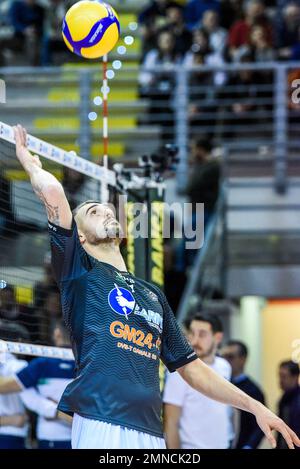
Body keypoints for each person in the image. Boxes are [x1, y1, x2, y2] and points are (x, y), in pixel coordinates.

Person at [8, 124, 300, 450]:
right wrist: (29, 161)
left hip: (149, 428)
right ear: (80, 236)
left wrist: (255, 406)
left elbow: (191, 369)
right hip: (102, 421)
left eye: (105, 207)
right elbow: (53, 194)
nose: (104, 210)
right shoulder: (80, 273)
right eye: (92, 211)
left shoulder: (152, 294)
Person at [0, 321, 74, 449]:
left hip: (48, 436)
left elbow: (7, 388)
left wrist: (57, 412)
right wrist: (58, 412)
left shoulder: (41, 364)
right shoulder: (88, 364)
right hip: (75, 435)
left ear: (57, 333)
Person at [163, 312, 232, 448]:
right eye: (192, 333)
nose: (194, 341)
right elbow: (171, 422)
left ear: (217, 337)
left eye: (202, 334)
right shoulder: (180, 371)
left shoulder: (224, 366)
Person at [222, 340, 265, 449]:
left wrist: (248, 446)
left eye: (230, 357)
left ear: (243, 359)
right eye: (224, 356)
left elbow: (259, 426)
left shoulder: (253, 390)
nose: (226, 361)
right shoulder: (220, 385)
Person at [277, 361, 300, 449]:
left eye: (284, 376)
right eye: (279, 376)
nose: (280, 380)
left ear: (295, 377)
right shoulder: (283, 399)